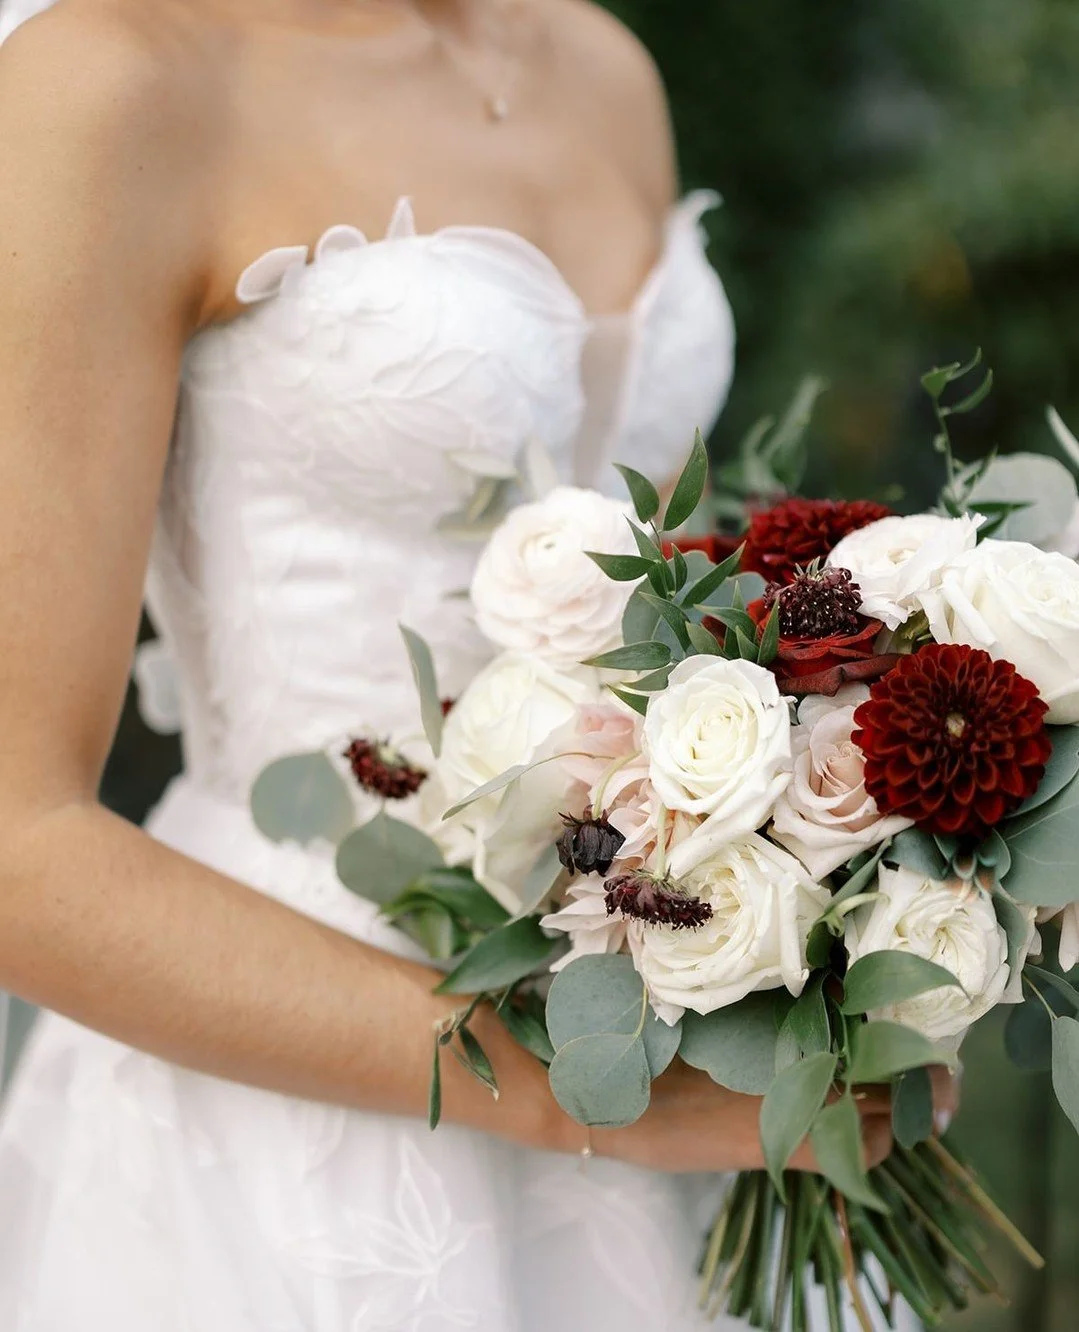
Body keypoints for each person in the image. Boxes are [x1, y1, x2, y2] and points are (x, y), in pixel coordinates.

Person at [0, 0, 942, 1326]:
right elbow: (18, 845)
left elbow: (667, 596)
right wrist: (590, 1096)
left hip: (677, 1016)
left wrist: (858, 892)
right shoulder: (108, 81)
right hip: (303, 1082)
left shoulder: (598, 62)